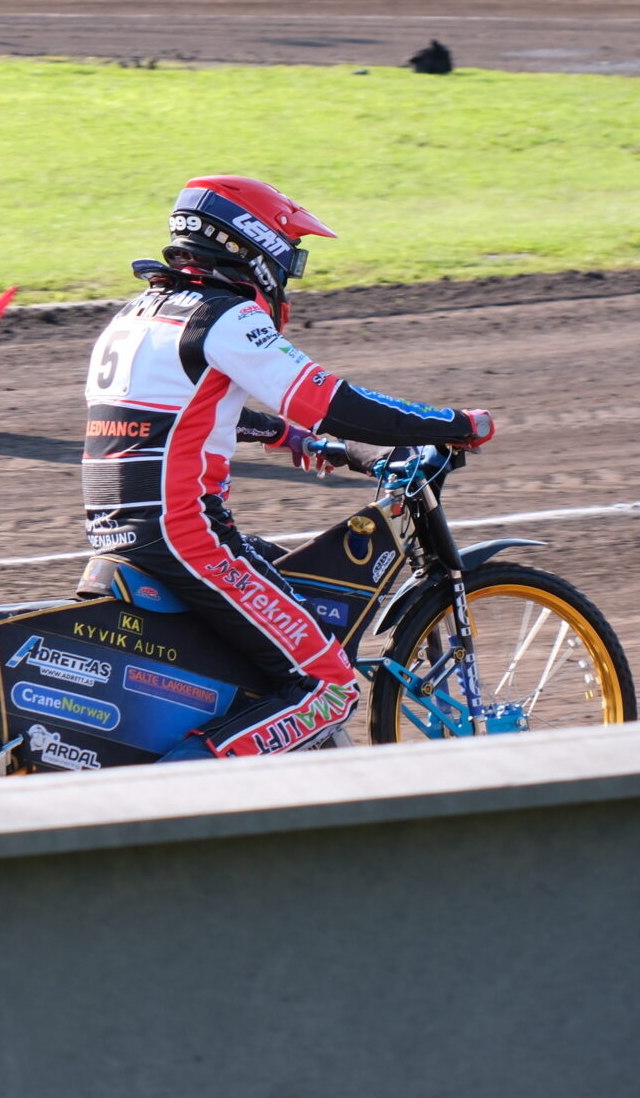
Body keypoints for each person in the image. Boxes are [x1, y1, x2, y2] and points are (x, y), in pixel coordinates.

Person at [79, 178, 494, 760]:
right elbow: (333, 403)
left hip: (120, 528)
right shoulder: (226, 316)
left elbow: (185, 413)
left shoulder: (137, 314)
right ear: (253, 245)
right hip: (185, 536)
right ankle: (184, 781)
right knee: (332, 685)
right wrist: (450, 422)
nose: (290, 271)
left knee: (286, 576)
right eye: (290, 256)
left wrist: (290, 437)